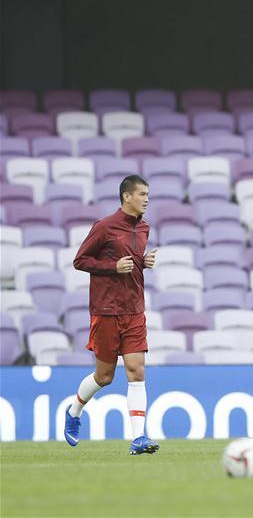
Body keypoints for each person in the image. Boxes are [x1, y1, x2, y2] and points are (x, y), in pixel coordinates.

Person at [64, 175, 159, 455]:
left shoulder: (144, 227)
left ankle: (138, 438)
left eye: (147, 194)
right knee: (104, 376)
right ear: (126, 196)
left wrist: (142, 263)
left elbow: (131, 260)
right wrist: (112, 267)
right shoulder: (104, 227)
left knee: (136, 370)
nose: (146, 199)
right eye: (142, 194)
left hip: (134, 310)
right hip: (106, 311)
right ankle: (74, 410)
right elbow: (80, 260)